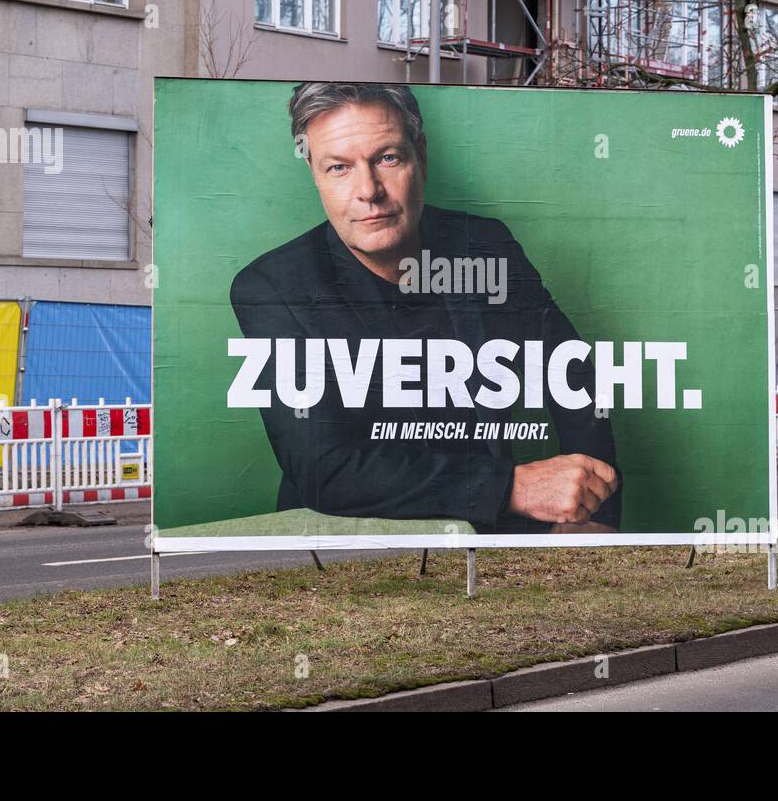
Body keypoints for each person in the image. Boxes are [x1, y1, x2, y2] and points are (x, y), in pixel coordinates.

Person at [230, 82, 620, 534]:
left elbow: (575, 377)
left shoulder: (485, 245)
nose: (368, 191)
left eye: (387, 158)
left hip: (493, 533)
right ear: (315, 174)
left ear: (422, 156)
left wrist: (593, 513)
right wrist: (512, 488)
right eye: (339, 168)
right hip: (351, 545)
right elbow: (325, 468)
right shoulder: (271, 287)